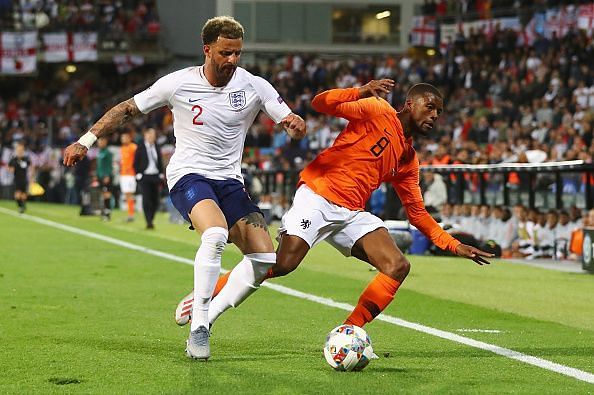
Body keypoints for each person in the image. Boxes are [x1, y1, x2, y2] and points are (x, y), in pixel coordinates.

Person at [62, 15, 305, 360]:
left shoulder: (254, 85)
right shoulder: (178, 83)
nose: (232, 61)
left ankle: (205, 311)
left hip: (229, 180)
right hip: (188, 175)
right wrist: (86, 140)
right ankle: (199, 330)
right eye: (225, 53)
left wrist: (294, 126)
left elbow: (289, 121)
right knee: (216, 233)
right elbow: (127, 109)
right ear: (207, 50)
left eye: (237, 53)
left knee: (265, 258)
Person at [176, 80, 493, 336]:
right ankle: (206, 294)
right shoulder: (376, 108)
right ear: (411, 103)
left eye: (439, 111)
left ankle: (350, 331)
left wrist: (453, 244)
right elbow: (320, 103)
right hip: (317, 195)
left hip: (350, 213)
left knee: (398, 266)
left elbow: (418, 213)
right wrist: (359, 91)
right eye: (430, 107)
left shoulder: (408, 159)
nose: (435, 116)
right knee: (284, 263)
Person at [134, 128, 164, 229]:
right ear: (145, 135)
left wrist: (161, 173)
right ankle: (149, 221)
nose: (152, 137)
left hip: (155, 176)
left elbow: (159, 160)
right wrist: (138, 173)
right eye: (150, 135)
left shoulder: (156, 146)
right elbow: (135, 162)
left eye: (153, 135)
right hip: (145, 176)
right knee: (146, 199)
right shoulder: (140, 147)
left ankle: (151, 218)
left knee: (155, 200)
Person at [8, 141, 31, 214]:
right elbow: (10, 169)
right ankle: (20, 207)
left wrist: (32, 178)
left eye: (21, 150)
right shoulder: (13, 159)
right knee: (17, 195)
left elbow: (30, 167)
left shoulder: (26, 159)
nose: (20, 151)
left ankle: (22, 206)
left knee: (24, 195)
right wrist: (12, 169)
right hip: (17, 179)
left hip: (24, 179)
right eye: (18, 150)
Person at [119, 131, 137, 222]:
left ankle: (131, 214)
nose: (123, 139)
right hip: (123, 174)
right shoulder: (122, 148)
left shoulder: (133, 147)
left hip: (131, 174)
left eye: (125, 137)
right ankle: (130, 213)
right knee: (126, 194)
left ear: (129, 138)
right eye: (122, 138)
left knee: (130, 194)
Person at [96, 137, 114, 221]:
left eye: (101, 141)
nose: (99, 143)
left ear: (105, 142)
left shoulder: (107, 152)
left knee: (107, 194)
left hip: (106, 177)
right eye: (99, 141)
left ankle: (107, 214)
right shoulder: (99, 152)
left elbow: (110, 165)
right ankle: (104, 212)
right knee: (103, 195)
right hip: (100, 176)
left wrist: (107, 175)